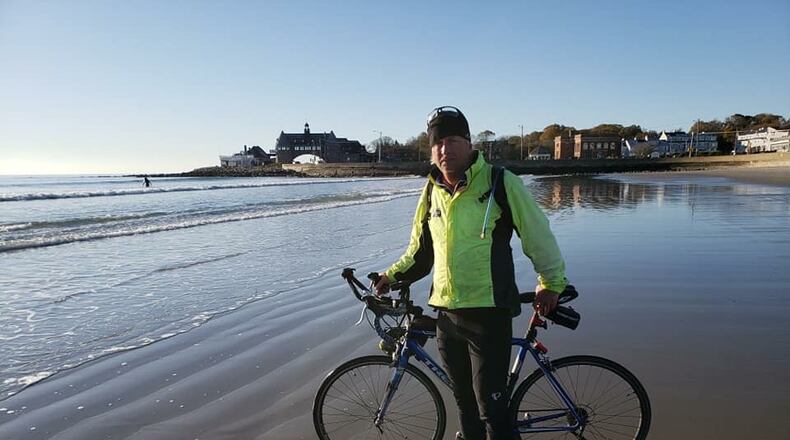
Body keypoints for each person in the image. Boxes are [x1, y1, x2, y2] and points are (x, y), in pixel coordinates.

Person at [375, 106, 568, 440]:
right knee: (465, 405)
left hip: (489, 313)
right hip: (448, 314)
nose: (444, 149)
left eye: (452, 140)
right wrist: (390, 276)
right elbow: (419, 252)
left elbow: (538, 235)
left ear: (468, 143)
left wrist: (550, 282)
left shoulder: (499, 182)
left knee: (492, 409)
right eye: (437, 143)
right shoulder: (430, 191)